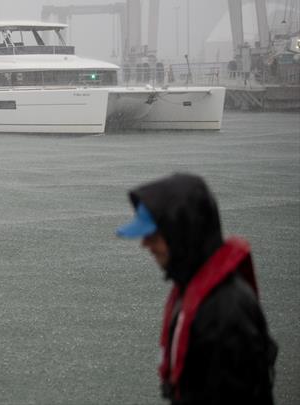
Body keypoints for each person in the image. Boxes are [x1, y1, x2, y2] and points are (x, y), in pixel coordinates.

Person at [116, 173, 277, 404]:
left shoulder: (225, 313)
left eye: (153, 234)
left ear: (180, 233)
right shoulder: (196, 288)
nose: (145, 244)